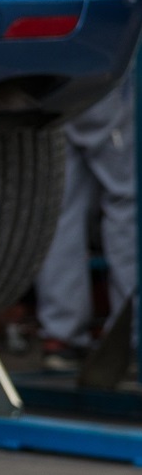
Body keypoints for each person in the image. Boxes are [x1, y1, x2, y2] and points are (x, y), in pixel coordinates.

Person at [36, 71, 138, 371]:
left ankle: (61, 336)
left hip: (51, 73)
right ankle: (131, 337)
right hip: (103, 68)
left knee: (60, 205)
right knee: (128, 199)